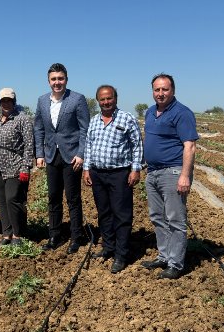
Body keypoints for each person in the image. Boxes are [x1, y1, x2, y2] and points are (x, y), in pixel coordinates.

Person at [141, 73, 199, 280]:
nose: (160, 93)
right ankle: (164, 256)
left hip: (173, 172)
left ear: (173, 90)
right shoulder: (150, 112)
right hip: (153, 171)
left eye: (165, 89)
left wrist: (184, 175)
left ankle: (176, 263)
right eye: (157, 90)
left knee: (175, 219)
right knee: (157, 217)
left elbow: (189, 146)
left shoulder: (182, 113)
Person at [83, 86, 143, 274]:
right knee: (104, 213)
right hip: (98, 173)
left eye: (109, 98)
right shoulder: (93, 121)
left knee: (122, 214)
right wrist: (86, 168)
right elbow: (89, 146)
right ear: (98, 101)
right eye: (102, 99)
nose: (106, 102)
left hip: (120, 173)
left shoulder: (126, 118)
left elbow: (137, 145)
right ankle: (108, 247)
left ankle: (121, 254)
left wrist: (135, 169)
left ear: (115, 99)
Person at [34, 63, 90, 253]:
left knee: (73, 198)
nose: (57, 82)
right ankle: (54, 235)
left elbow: (85, 129)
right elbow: (39, 128)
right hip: (51, 155)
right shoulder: (42, 101)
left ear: (66, 79)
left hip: (71, 156)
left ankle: (76, 236)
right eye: (53, 79)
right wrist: (39, 154)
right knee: (53, 197)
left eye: (60, 78)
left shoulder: (77, 99)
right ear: (48, 81)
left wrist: (81, 154)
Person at [0, 88, 34, 246]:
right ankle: (6, 234)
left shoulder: (22, 119)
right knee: (2, 201)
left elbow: (29, 145)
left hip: (15, 164)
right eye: (3, 100)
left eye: (9, 100)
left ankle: (18, 234)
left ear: (14, 101)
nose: (6, 103)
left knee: (13, 199)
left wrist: (25, 168)